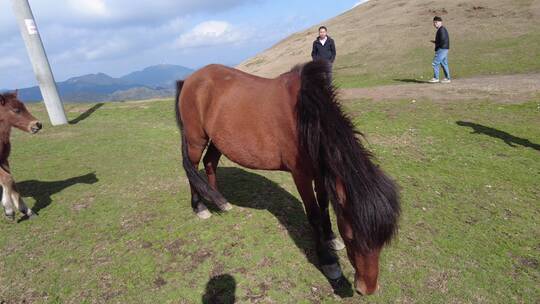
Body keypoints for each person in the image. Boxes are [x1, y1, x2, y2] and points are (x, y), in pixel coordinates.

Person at [429, 16, 451, 84]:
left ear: (440, 22)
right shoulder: (442, 29)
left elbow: (443, 40)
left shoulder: (441, 29)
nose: (435, 24)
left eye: (436, 22)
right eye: (434, 22)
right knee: (444, 64)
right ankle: (447, 78)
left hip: (442, 49)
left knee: (435, 63)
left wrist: (437, 44)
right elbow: (442, 40)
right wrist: (435, 42)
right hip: (444, 48)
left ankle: (436, 78)